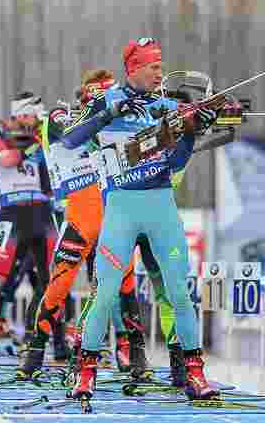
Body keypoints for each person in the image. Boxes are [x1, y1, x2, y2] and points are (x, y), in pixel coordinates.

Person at [62, 37, 222, 400]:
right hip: (121, 208)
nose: (159, 73)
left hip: (161, 206)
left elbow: (176, 163)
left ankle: (195, 374)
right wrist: (108, 113)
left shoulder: (167, 107)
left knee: (180, 293)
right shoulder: (107, 99)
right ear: (134, 68)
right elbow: (70, 140)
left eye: (161, 66)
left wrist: (191, 132)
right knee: (105, 295)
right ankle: (85, 373)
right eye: (153, 67)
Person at [18, 69, 185, 386]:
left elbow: (152, 148)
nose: (114, 100)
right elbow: (69, 132)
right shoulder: (62, 116)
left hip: (112, 214)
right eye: (105, 95)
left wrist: (177, 124)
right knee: (59, 285)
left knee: (124, 286)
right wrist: (107, 112)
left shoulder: (118, 126)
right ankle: (34, 353)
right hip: (80, 217)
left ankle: (135, 355)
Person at [0, 92, 61, 364]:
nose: (32, 122)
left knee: (53, 283)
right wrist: (35, 145)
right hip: (11, 218)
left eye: (36, 117)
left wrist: (47, 143)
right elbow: (6, 159)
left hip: (42, 216)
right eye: (28, 116)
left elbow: (50, 183)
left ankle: (48, 343)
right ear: (18, 116)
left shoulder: (44, 139)